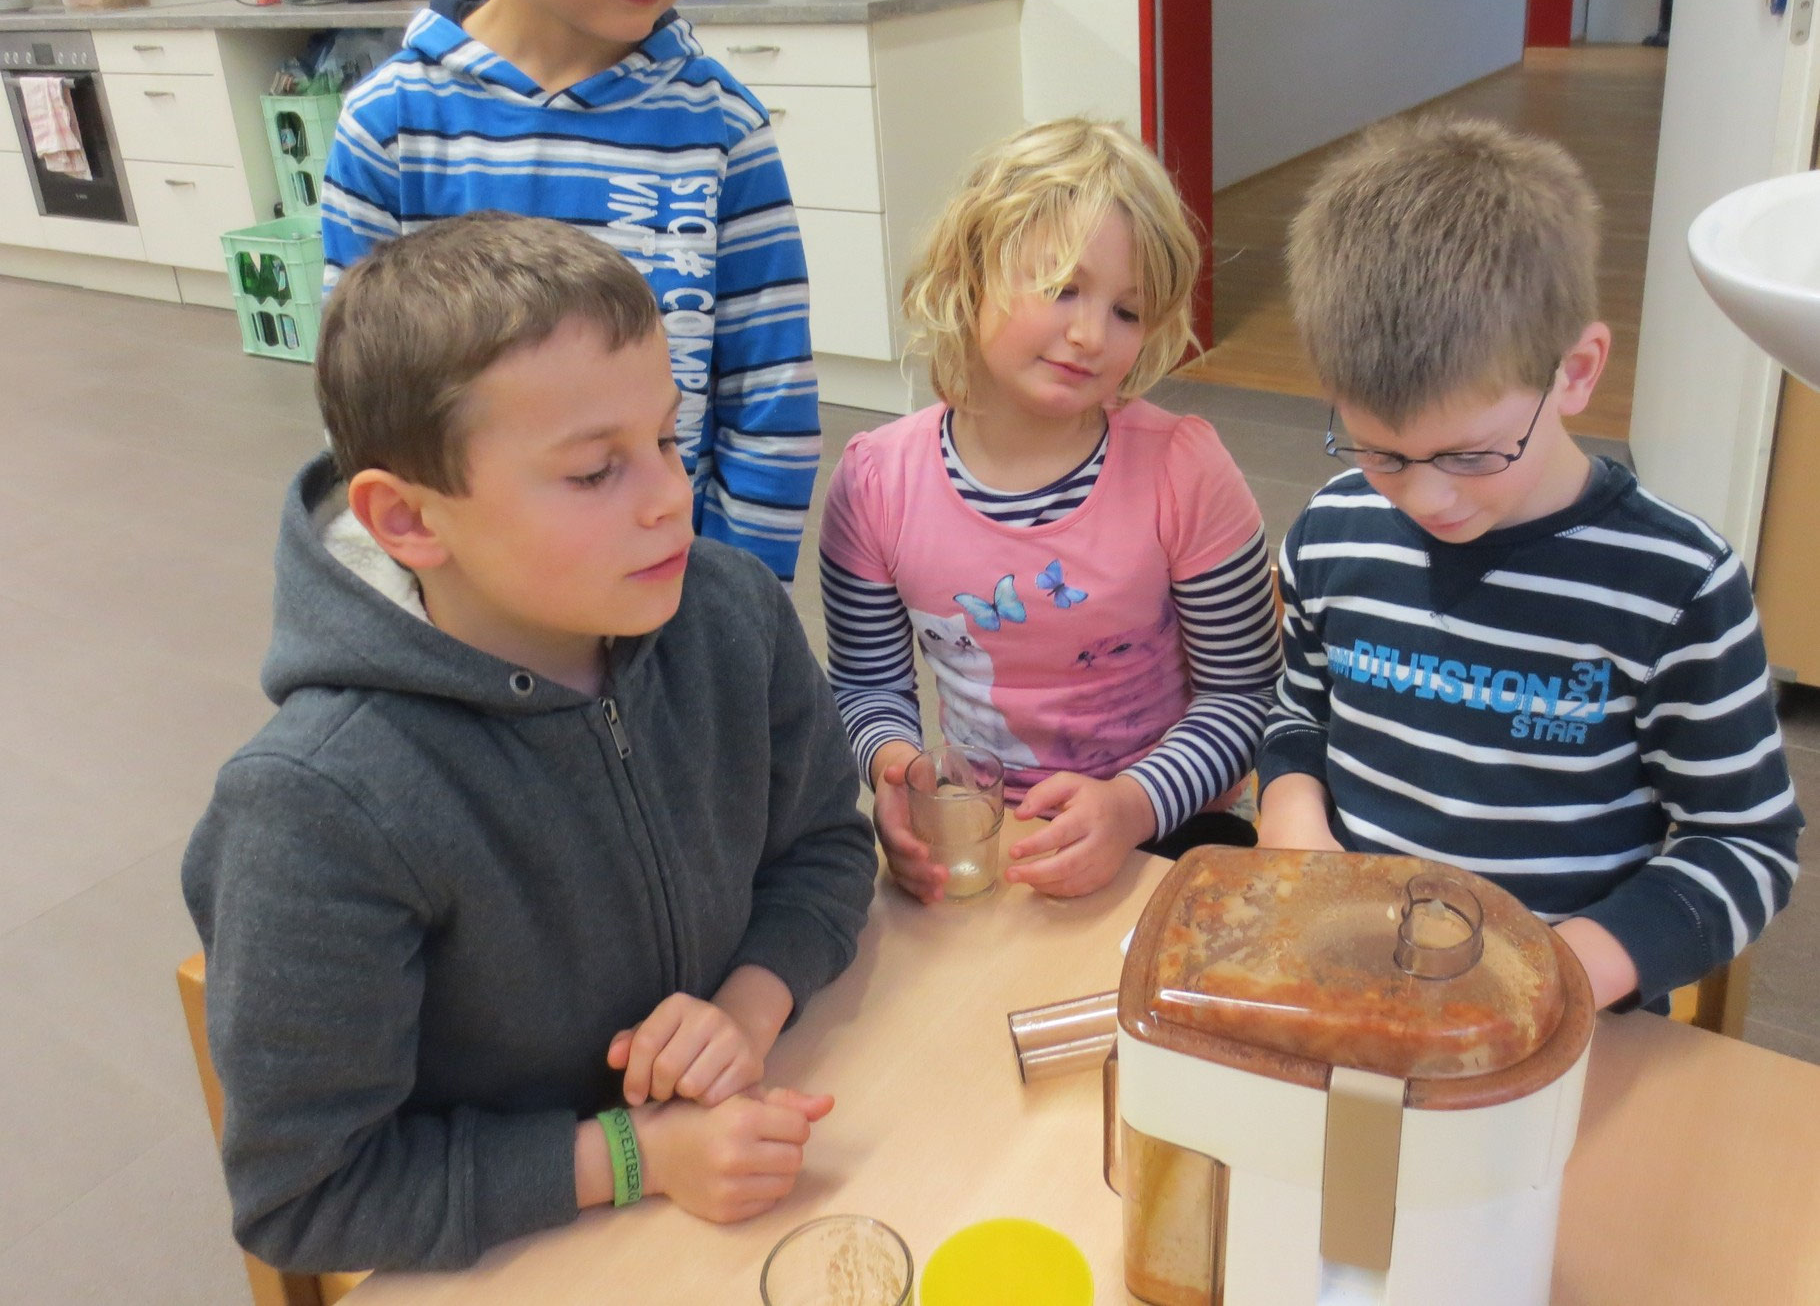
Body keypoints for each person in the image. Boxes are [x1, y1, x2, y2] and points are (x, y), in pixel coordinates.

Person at [182, 212, 876, 1273]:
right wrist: (632, 1155)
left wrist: (747, 1004)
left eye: (664, 439)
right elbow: (306, 1197)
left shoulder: (726, 610)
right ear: (409, 522)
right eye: (595, 473)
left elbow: (825, 846)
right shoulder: (315, 810)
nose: (668, 500)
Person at [1258, 115, 1802, 1011]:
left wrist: (1564, 969)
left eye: (1472, 454)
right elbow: (1298, 715)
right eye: (1381, 453)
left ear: (1576, 371)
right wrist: (1290, 813)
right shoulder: (1332, 532)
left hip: (1558, 1016)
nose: (1429, 499)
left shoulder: (1676, 587)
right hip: (1350, 981)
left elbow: (1745, 844)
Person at [318, 0, 818, 581]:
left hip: (667, 589)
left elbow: (772, 400)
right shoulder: (392, 128)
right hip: (470, 600)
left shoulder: (722, 132)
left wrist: (737, 606)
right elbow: (365, 411)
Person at [820, 119, 1282, 902]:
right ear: (968, 274)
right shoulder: (872, 484)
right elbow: (866, 689)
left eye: (1127, 311)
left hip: (1173, 824)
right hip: (987, 833)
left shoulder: (1185, 469)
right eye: (1061, 287)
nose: (1089, 334)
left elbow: (1246, 696)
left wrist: (1134, 805)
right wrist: (896, 768)